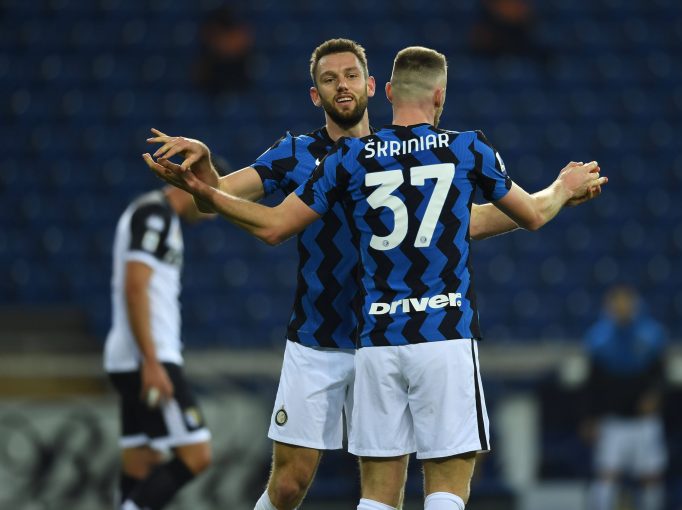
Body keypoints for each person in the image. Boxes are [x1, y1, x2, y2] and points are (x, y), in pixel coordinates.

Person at [145, 39, 603, 510]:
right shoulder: (297, 154)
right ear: (315, 95)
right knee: (289, 485)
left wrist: (552, 200)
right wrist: (206, 174)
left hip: (378, 334)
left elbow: (460, 222)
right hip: (322, 335)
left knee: (386, 488)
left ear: (372, 86)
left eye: (349, 76)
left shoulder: (379, 155)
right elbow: (216, 199)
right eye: (329, 79)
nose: (341, 86)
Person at [104, 184, 215, 510]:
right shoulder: (155, 213)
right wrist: (151, 362)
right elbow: (135, 286)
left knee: (141, 461)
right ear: (198, 182)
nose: (213, 215)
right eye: (214, 199)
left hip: (133, 357)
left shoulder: (157, 213)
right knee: (197, 454)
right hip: (148, 358)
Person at [581, 285, 668, 510]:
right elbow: (592, 384)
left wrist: (655, 396)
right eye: (617, 303)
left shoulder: (651, 336)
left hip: (644, 421)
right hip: (613, 420)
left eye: (626, 303)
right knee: (606, 476)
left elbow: (662, 375)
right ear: (609, 307)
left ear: (635, 305)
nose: (622, 308)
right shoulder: (598, 340)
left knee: (651, 477)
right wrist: (590, 417)